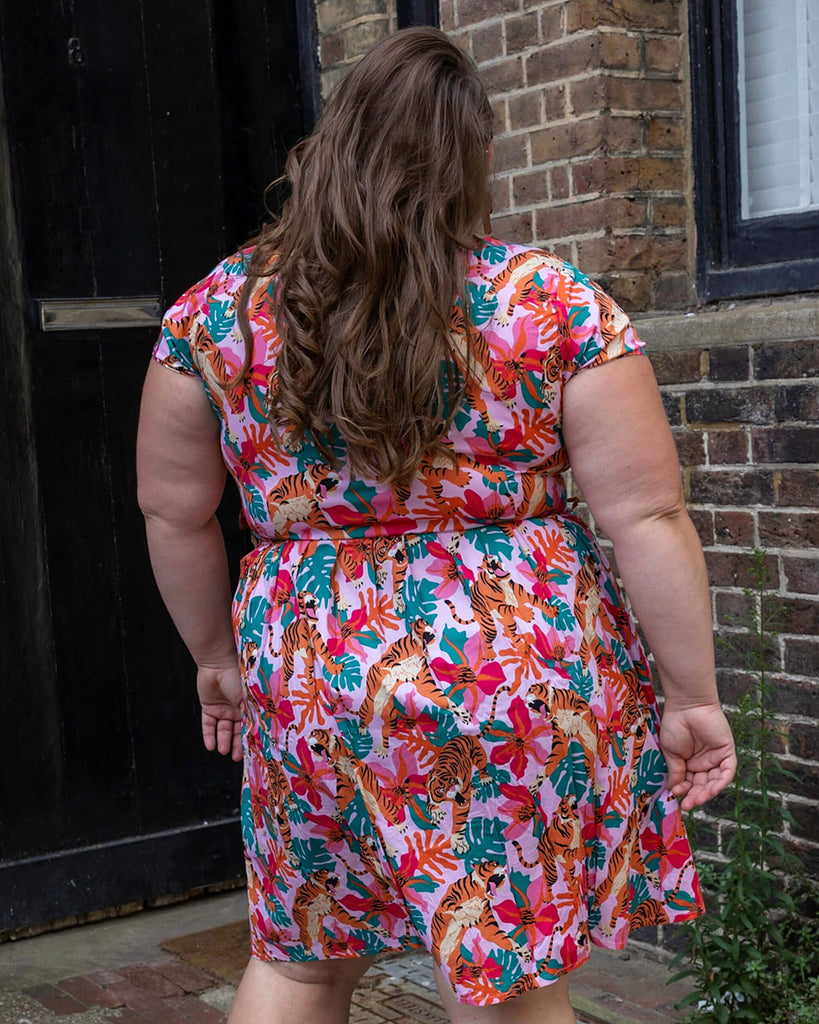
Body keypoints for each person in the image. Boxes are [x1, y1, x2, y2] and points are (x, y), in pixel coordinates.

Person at [137, 26, 736, 1024]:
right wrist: (692, 694)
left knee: (301, 956)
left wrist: (217, 655)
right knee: (499, 972)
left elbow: (173, 509)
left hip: (310, 671)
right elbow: (647, 514)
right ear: (473, 158)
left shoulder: (214, 316)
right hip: (506, 671)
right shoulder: (549, 305)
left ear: (332, 145)